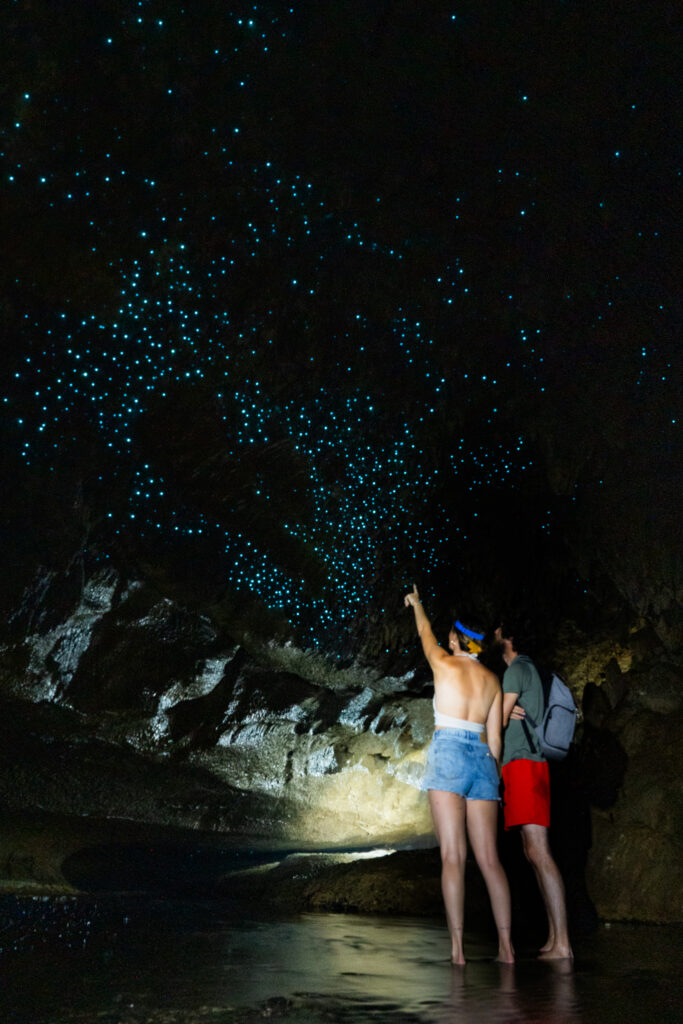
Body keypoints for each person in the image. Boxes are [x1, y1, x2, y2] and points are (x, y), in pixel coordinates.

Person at [404, 585, 514, 965]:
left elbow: (423, 633)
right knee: (490, 860)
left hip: (449, 753)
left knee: (453, 856)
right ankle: (507, 949)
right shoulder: (493, 682)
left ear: (455, 637)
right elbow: (496, 739)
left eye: (450, 634)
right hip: (483, 759)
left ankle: (457, 952)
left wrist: (417, 604)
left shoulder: (443, 662)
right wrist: (491, 776)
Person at [494, 620, 573, 960]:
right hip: (526, 765)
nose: (494, 635)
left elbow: (495, 719)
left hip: (526, 765)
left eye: (498, 630)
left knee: (539, 851)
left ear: (509, 636)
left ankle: (563, 943)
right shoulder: (527, 669)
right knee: (532, 852)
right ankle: (556, 939)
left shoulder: (516, 669)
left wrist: (499, 708)